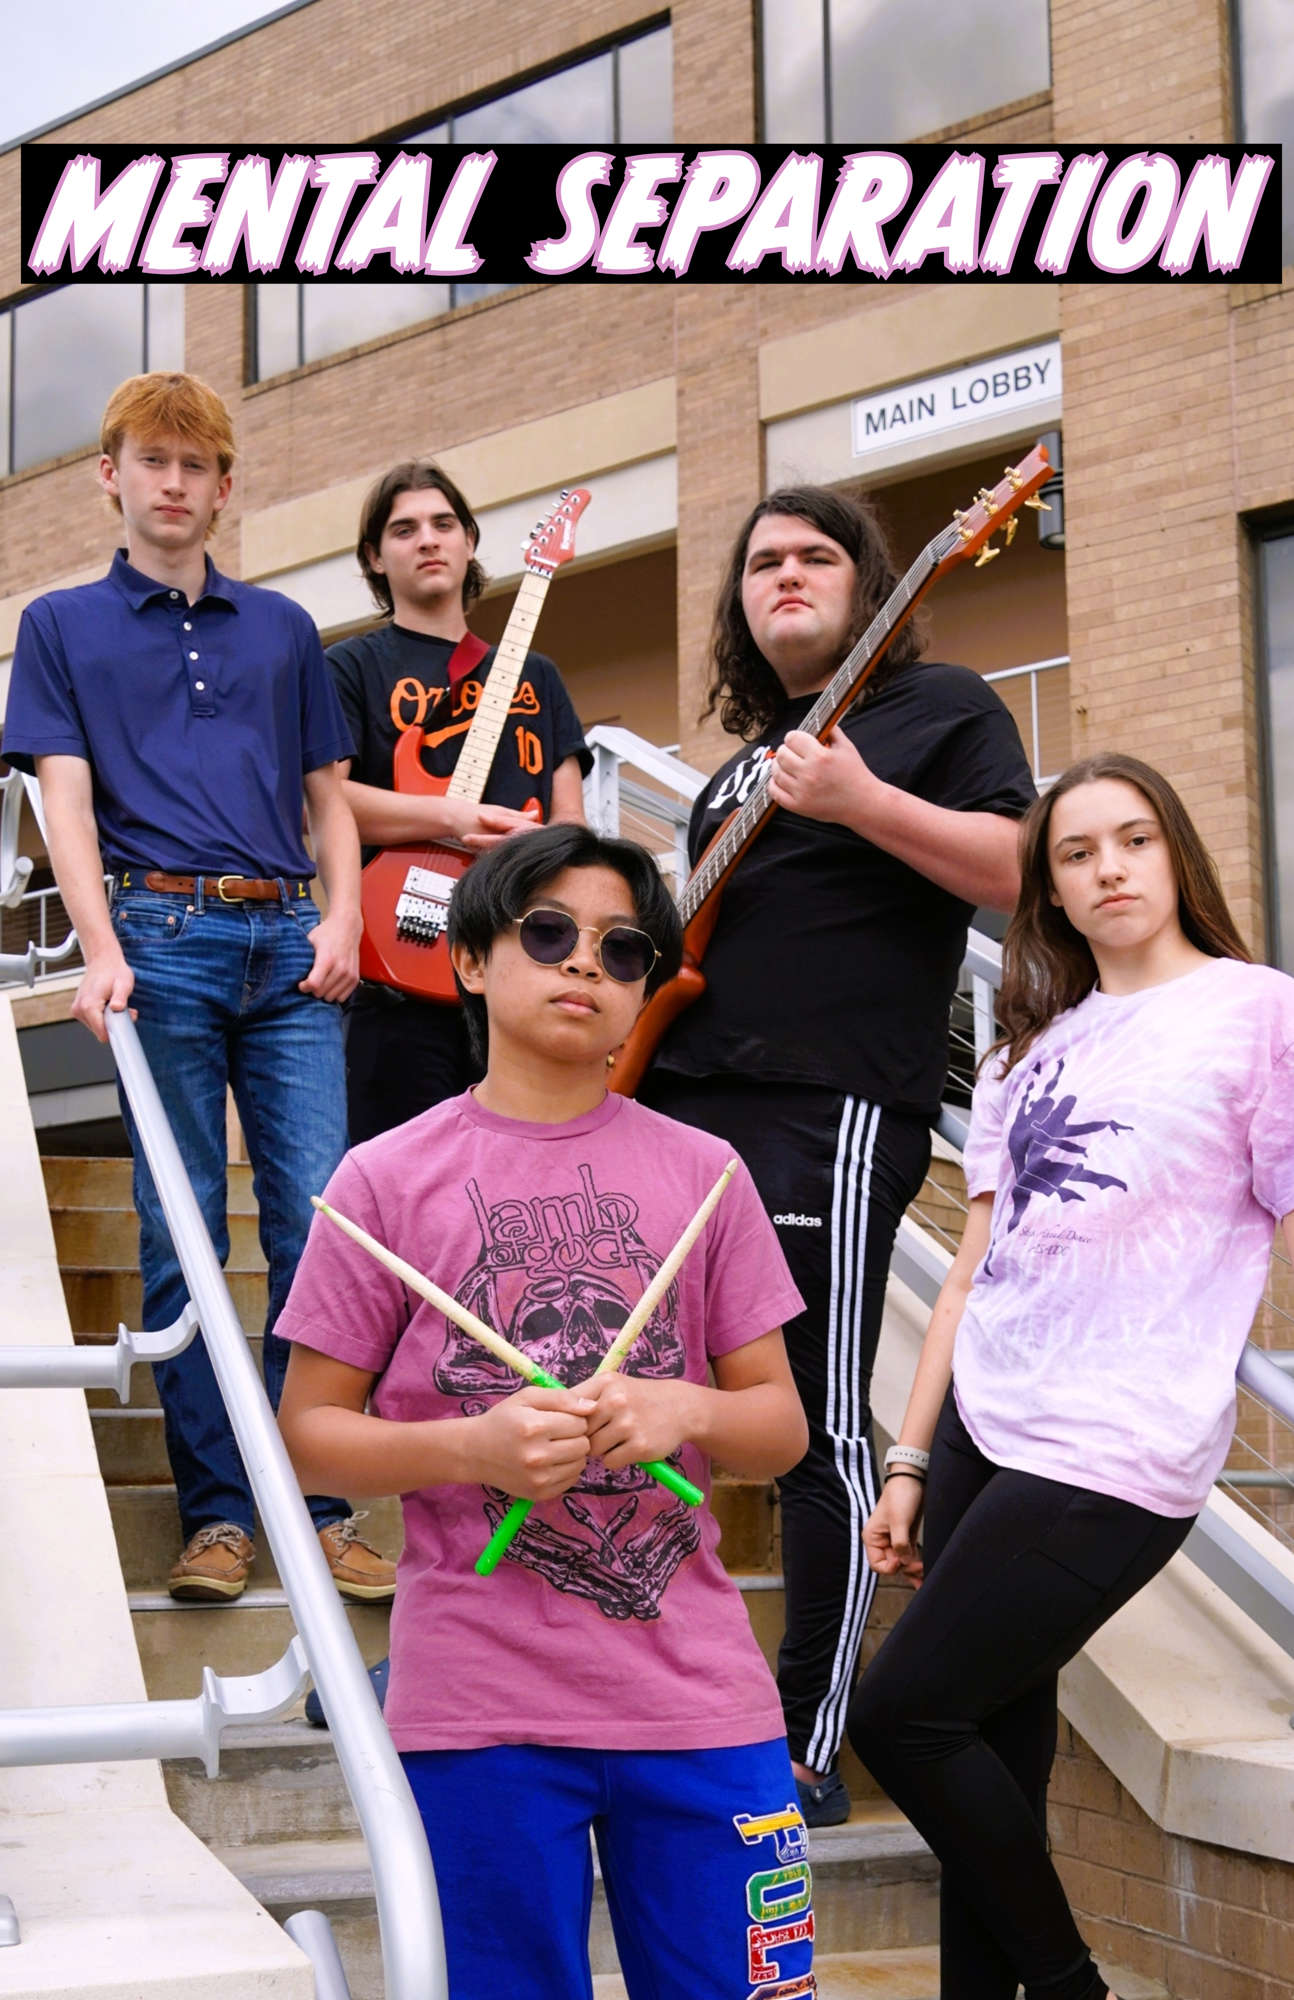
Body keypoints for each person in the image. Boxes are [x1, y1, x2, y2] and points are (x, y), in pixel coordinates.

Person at [276, 822, 814, 2000]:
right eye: (549, 932)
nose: (585, 964)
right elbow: (308, 1429)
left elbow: (781, 1425)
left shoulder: (706, 1171)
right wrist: (471, 1444)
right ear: (471, 957)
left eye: (623, 949)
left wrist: (685, 1410)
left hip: (699, 1694)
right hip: (478, 1705)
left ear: (645, 991)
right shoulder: (381, 1180)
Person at [848, 753, 1294, 2000]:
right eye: (1076, 851)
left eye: (1133, 840)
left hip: (1118, 1438)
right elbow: (970, 1271)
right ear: (1045, 889)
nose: (1108, 868)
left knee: (901, 1715)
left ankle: (1067, 1985)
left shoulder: (1259, 1013)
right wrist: (908, 1454)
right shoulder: (1023, 1051)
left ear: (1174, 855)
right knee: (991, 1752)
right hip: (986, 1422)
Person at [645, 483, 1036, 1823]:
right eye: (761, 561)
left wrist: (863, 799)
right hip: (684, 1112)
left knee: (810, 1421)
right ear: (738, 602)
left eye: (816, 556)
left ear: (872, 586)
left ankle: (806, 1741)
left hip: (830, 1109)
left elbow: (1018, 865)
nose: (786, 575)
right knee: (638, 1401)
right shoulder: (727, 772)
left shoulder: (941, 714)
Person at [3, 371, 395, 1606]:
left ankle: (320, 1504)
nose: (173, 485)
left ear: (224, 488)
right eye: (150, 462)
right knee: (177, 1237)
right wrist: (99, 942)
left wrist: (341, 915)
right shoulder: (60, 625)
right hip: (156, 933)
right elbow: (61, 795)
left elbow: (327, 794)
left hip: (288, 943)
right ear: (109, 475)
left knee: (318, 1230)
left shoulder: (282, 628)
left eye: (195, 467)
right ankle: (221, 1514)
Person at [326, 459, 590, 1143]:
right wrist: (452, 818)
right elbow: (322, 801)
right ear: (374, 558)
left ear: (469, 540)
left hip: (514, 963)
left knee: (518, 1165)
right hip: (394, 957)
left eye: (444, 524)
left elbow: (570, 821)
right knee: (398, 1168)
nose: (428, 540)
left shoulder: (537, 676)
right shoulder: (351, 668)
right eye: (404, 529)